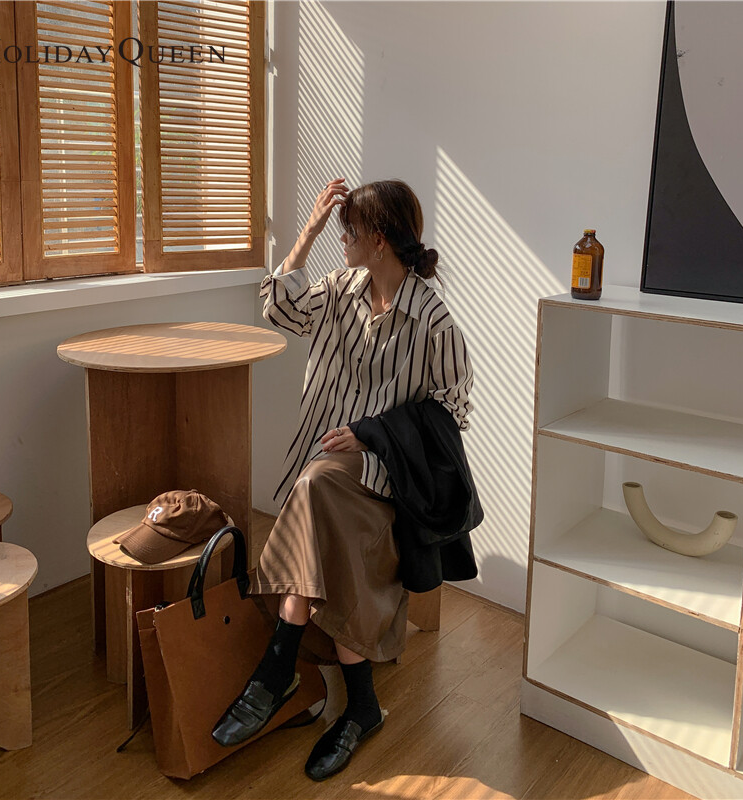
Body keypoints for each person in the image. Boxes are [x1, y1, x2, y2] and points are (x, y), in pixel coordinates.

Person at [212, 178, 475, 781]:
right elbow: (279, 308)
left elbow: (452, 412)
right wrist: (304, 234)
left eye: (347, 231)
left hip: (387, 479)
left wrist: (371, 432)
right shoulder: (339, 290)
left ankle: (277, 670)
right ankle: (360, 705)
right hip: (327, 471)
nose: (341, 240)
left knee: (314, 488)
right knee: (319, 499)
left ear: (378, 240)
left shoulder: (432, 321)